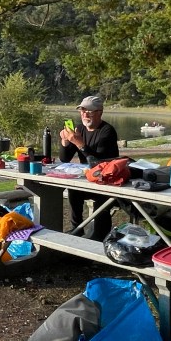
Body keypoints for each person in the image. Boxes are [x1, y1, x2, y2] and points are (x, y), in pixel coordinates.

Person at [59, 95, 120, 241]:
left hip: (107, 181)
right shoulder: (79, 129)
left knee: (102, 203)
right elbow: (64, 159)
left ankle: (100, 238)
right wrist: (65, 142)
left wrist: (80, 144)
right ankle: (77, 229)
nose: (85, 114)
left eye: (89, 111)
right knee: (73, 188)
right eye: (82, 111)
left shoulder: (107, 131)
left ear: (100, 112)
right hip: (87, 180)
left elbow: (98, 164)